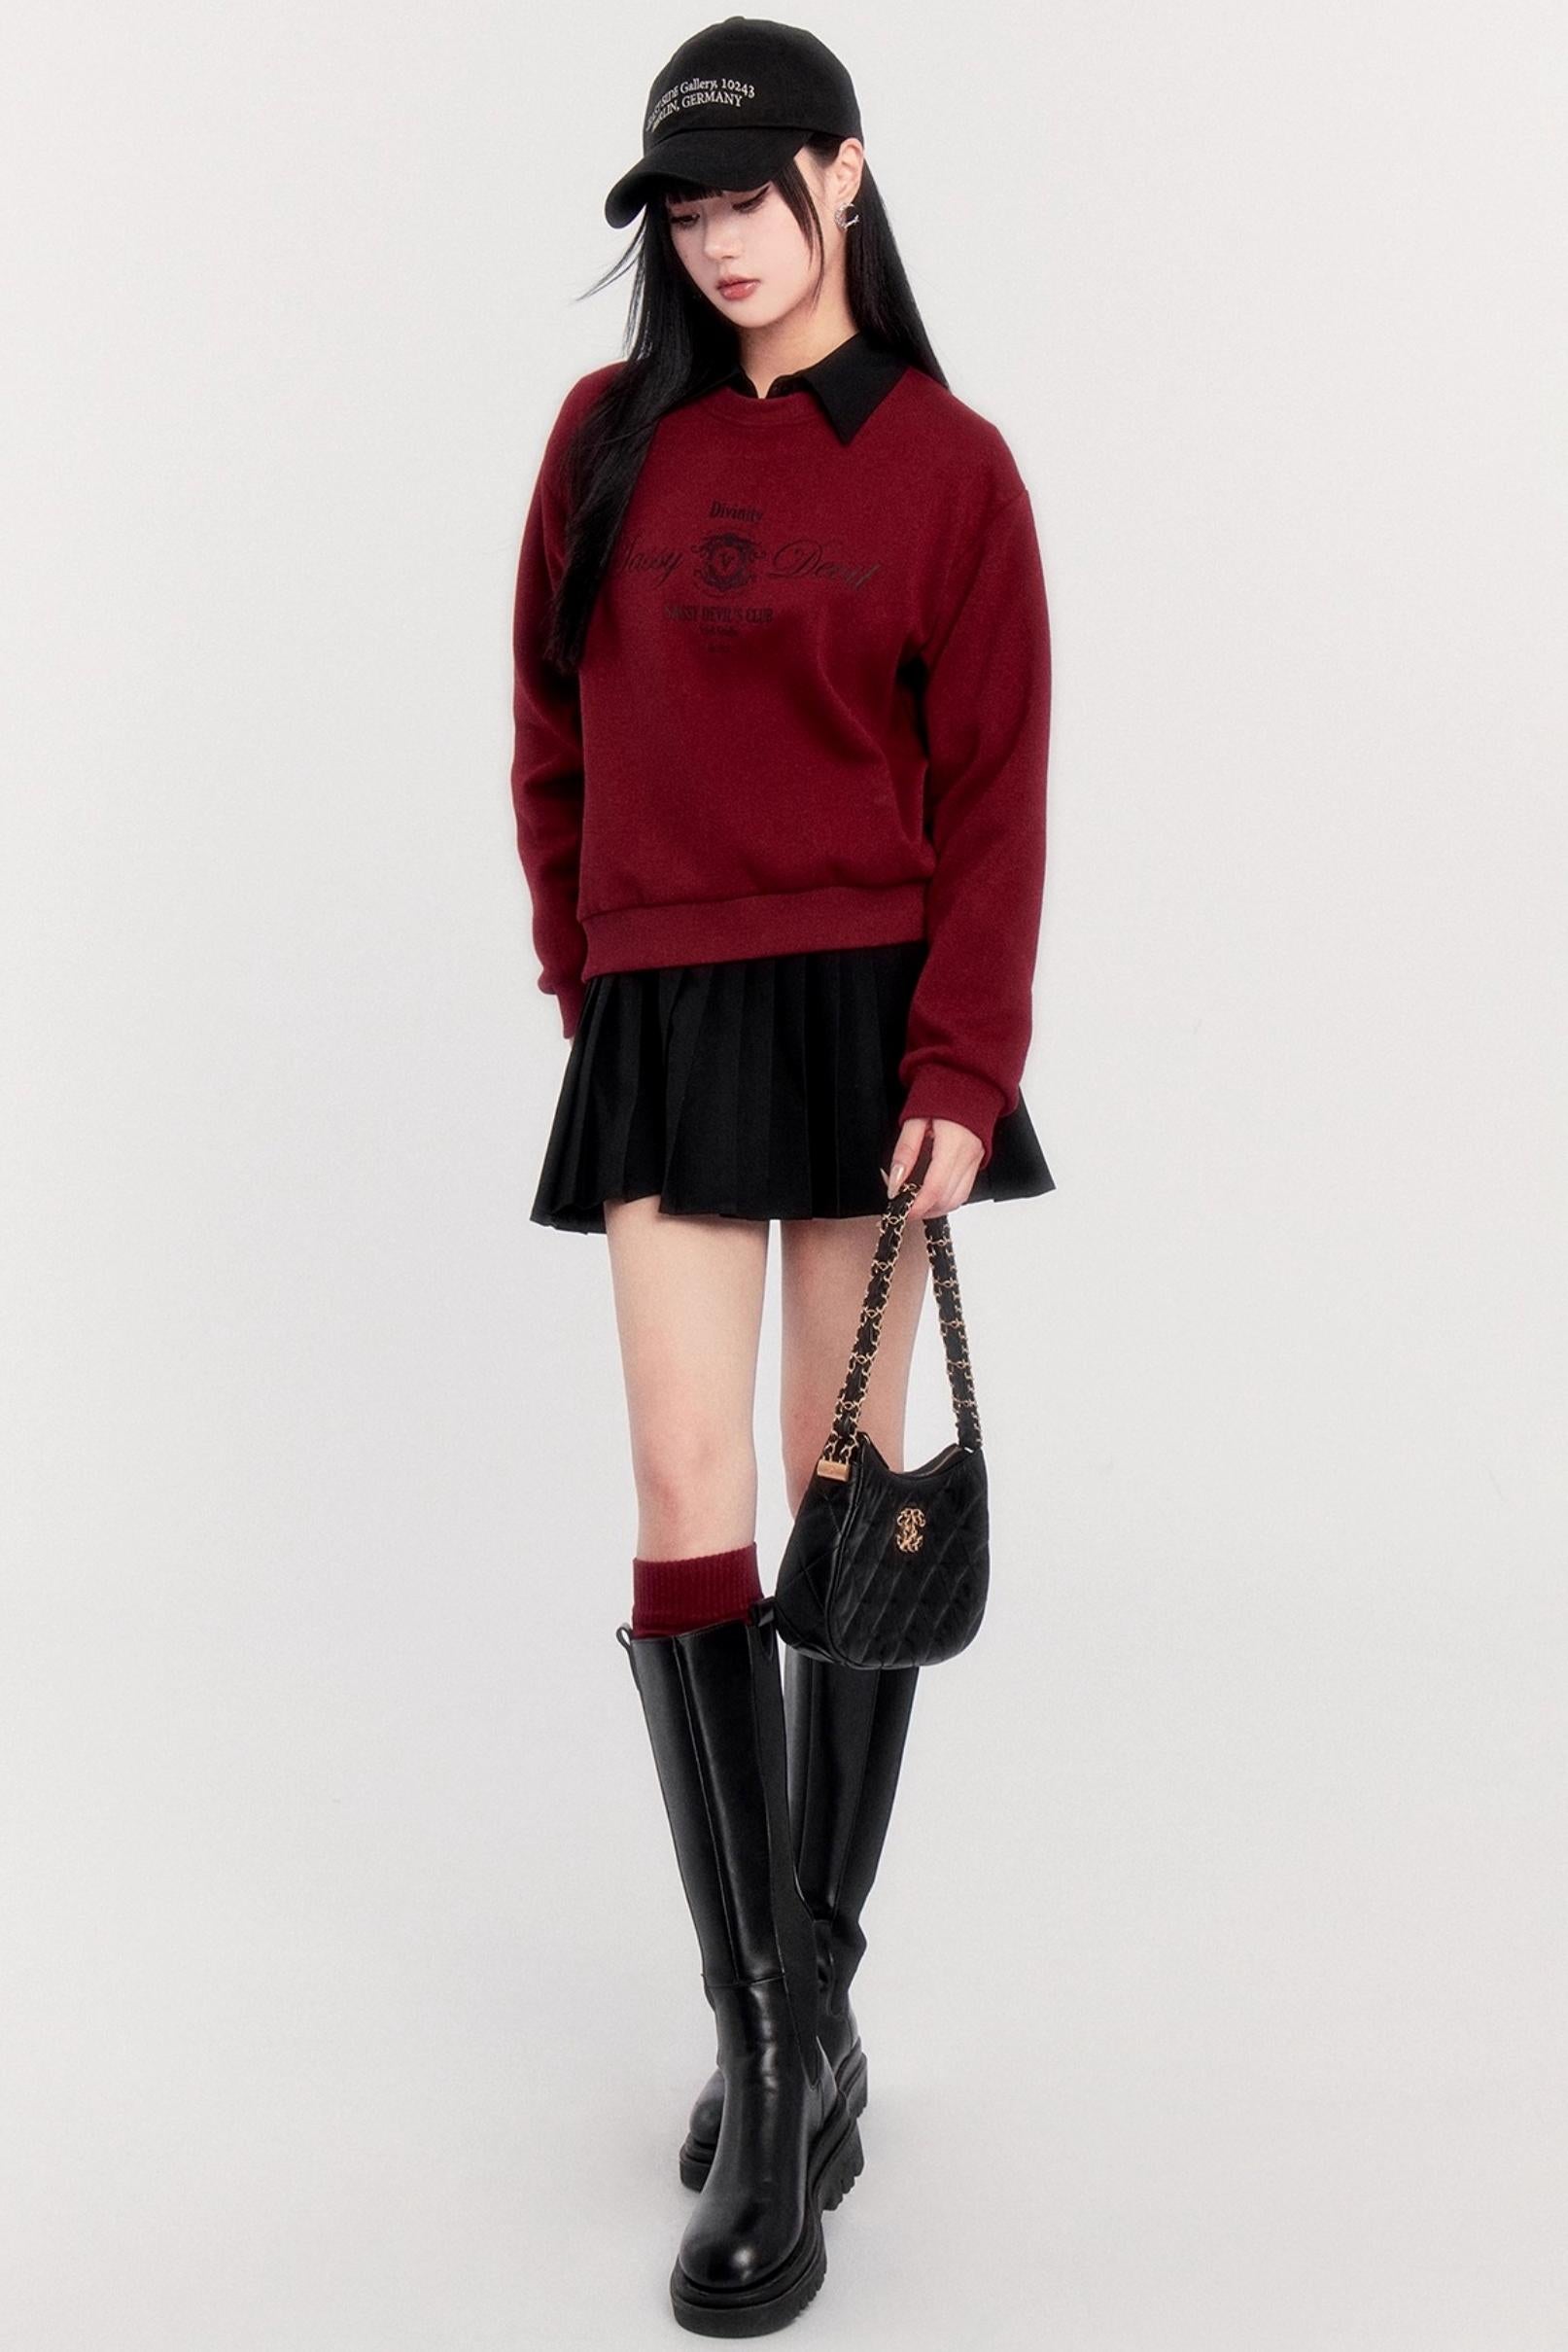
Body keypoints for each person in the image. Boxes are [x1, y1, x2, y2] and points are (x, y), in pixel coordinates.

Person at [508, 17, 1055, 2334]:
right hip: (666, 1008)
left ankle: (807, 2005)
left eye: (752, 193)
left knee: (851, 1499)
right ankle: (758, 2027)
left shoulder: (948, 467)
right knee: (680, 1483)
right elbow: (549, 735)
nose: (721, 239)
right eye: (686, 207)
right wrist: (591, 978)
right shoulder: (602, 440)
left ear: (843, 176)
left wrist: (965, 1058)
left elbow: (998, 788)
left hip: (864, 1012)